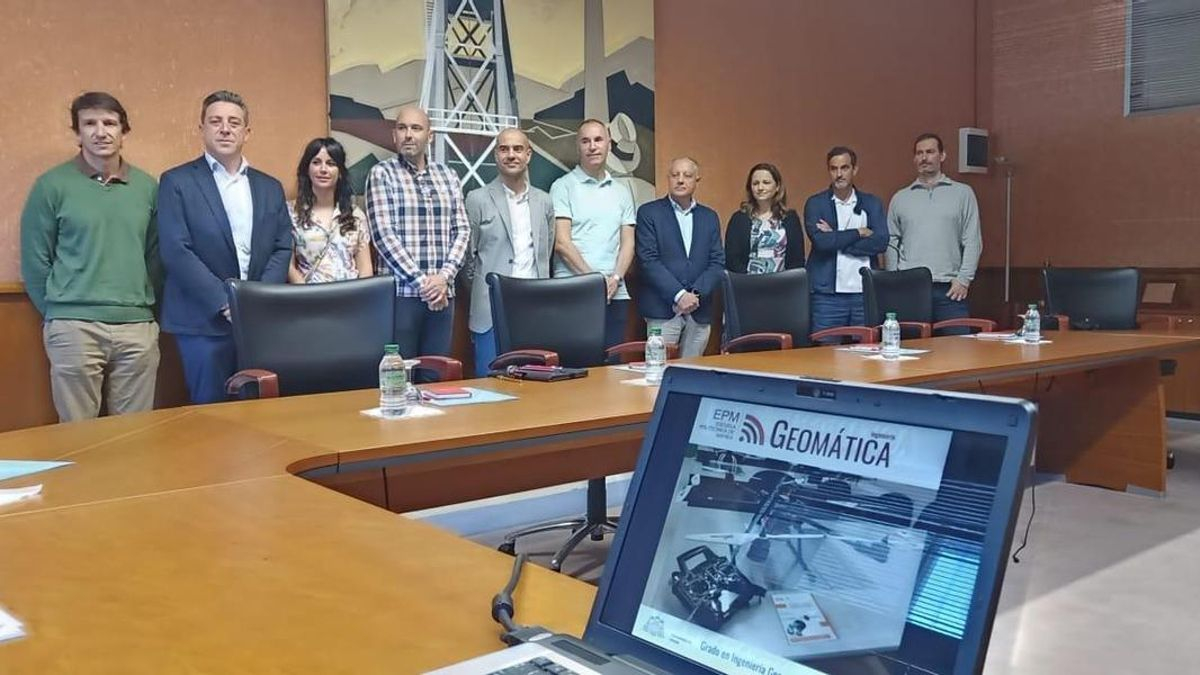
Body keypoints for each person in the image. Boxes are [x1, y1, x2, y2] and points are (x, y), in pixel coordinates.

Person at [20, 91, 161, 422]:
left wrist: (147, 308)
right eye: (90, 124)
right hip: (74, 327)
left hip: (136, 327)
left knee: (134, 435)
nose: (101, 132)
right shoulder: (51, 186)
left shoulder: (147, 187)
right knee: (78, 435)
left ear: (124, 132)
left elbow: (156, 257)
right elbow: (35, 260)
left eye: (110, 123)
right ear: (77, 132)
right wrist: (60, 311)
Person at [157, 90, 293, 404]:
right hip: (203, 322)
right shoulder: (177, 182)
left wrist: (254, 301)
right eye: (215, 121)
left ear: (247, 132)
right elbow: (176, 250)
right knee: (211, 415)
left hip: (260, 324)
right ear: (201, 128)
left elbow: (281, 247)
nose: (225, 128)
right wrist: (226, 302)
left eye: (234, 122)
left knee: (260, 414)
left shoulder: (269, 187)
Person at [365, 105, 469, 361]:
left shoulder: (449, 176)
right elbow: (383, 236)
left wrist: (443, 278)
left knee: (437, 374)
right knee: (399, 377)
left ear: (430, 136)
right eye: (402, 128)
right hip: (400, 296)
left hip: (444, 295)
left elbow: (463, 230)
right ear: (394, 136)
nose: (408, 134)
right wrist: (425, 284)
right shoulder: (381, 174)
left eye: (416, 128)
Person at [463, 128, 555, 376]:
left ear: (528, 154)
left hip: (534, 308)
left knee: (534, 387)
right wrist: (485, 291)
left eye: (517, 149)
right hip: (489, 311)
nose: (511, 155)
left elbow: (545, 254)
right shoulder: (476, 199)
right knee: (490, 385)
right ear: (496, 155)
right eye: (504, 149)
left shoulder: (544, 201)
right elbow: (468, 260)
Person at [550, 119, 637, 348]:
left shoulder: (622, 191)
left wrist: (615, 279)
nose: (592, 146)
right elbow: (561, 242)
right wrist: (595, 282)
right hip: (574, 290)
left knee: (611, 366)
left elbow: (628, 243)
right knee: (575, 365)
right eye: (585, 141)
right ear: (578, 146)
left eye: (598, 139)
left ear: (609, 143)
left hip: (615, 292)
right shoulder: (562, 186)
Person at [886, 132, 982, 326]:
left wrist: (964, 280)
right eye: (919, 153)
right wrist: (895, 281)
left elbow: (973, 240)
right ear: (914, 159)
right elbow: (891, 242)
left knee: (958, 351)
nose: (924, 157)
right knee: (909, 351)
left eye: (930, 152)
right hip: (910, 288)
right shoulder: (900, 198)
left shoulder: (963, 193)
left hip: (950, 289)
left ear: (942, 156)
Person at [634, 157, 724, 358]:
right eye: (675, 175)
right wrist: (679, 295)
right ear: (668, 178)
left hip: (699, 310)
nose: (680, 180)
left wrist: (695, 295)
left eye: (687, 175)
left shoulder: (709, 217)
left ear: (696, 180)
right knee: (656, 373)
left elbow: (717, 262)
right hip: (662, 309)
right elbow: (648, 260)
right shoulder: (649, 213)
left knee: (691, 374)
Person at [802, 146, 888, 337]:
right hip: (827, 297)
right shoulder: (816, 204)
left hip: (864, 294)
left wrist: (836, 237)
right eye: (834, 169)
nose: (839, 174)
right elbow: (822, 244)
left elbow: (880, 243)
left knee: (865, 354)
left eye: (844, 168)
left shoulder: (871, 203)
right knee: (824, 354)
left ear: (854, 170)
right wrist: (858, 232)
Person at [287, 137, 373, 283]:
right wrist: (304, 293)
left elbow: (365, 269)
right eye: (316, 162)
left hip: (351, 299)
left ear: (340, 172)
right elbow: (288, 266)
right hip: (309, 299)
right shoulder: (291, 212)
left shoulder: (356, 215)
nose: (323, 169)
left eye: (331, 163)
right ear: (307, 169)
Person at [724, 163, 805, 274]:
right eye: (755, 183)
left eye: (766, 183)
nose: (760, 188)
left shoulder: (790, 218)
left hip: (783, 285)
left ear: (777, 187)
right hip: (746, 285)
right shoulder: (739, 219)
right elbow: (732, 259)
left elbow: (797, 260)